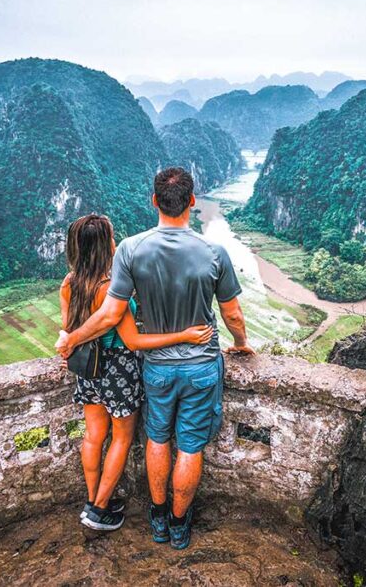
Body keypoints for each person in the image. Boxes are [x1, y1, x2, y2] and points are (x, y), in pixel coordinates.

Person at [57, 167, 254, 550]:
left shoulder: (131, 248)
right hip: (200, 366)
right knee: (191, 446)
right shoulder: (215, 253)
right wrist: (242, 342)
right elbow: (232, 315)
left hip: (157, 368)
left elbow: (110, 315)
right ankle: (180, 524)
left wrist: (71, 339)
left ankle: (158, 517)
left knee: (157, 440)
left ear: (154, 202)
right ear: (192, 202)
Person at [57, 214, 214, 532]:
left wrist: (71, 343)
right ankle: (100, 510)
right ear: (108, 245)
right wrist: (184, 335)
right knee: (122, 438)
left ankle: (92, 500)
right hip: (117, 369)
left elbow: (69, 331)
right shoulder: (111, 291)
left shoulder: (69, 283)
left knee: (93, 436)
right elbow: (133, 340)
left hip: (87, 369)